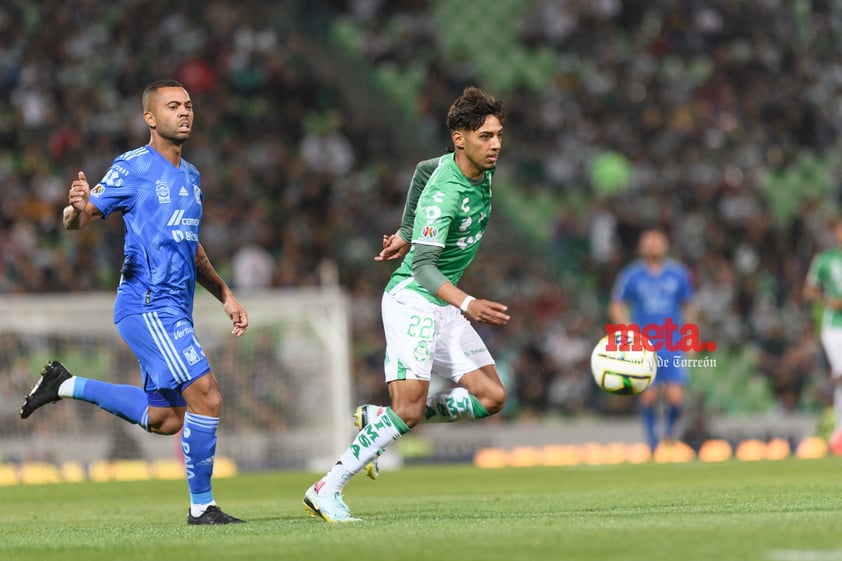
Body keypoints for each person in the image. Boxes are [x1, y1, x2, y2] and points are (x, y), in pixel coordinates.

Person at [19, 79, 248, 525]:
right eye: (172, 106)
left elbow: (190, 247)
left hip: (174, 309)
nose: (184, 112)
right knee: (208, 395)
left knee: (166, 419)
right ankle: (202, 508)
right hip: (147, 303)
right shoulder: (133, 167)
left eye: (188, 105)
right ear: (150, 118)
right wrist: (75, 207)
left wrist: (225, 293)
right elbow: (80, 219)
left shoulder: (193, 176)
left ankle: (65, 384)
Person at [303, 86, 510, 523]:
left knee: (491, 396)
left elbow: (420, 169)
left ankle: (380, 418)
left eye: (497, 135)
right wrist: (467, 301)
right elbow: (424, 270)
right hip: (415, 299)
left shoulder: (472, 167)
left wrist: (403, 231)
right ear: (460, 138)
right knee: (410, 409)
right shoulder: (445, 196)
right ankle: (327, 488)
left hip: (444, 303)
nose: (495, 145)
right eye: (485, 136)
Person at [608, 227, 696, 454]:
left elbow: (688, 307)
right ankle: (653, 445)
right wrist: (627, 332)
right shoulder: (631, 275)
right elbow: (617, 305)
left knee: (676, 398)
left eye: (658, 241)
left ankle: (668, 436)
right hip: (644, 345)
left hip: (672, 342)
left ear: (666, 245)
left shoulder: (678, 274)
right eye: (649, 241)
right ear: (641, 247)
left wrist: (690, 337)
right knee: (648, 396)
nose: (653, 245)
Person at [803, 216, 842, 456]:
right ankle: (839, 432)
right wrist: (830, 301)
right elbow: (808, 290)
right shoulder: (825, 260)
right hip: (835, 325)